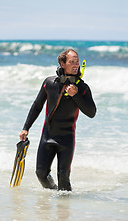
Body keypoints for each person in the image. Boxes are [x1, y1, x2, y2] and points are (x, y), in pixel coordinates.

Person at [19, 49, 96, 191]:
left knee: (64, 179)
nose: (75, 65)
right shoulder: (49, 83)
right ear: (62, 63)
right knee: (41, 174)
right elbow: (37, 106)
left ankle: (64, 210)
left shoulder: (82, 88)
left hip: (67, 138)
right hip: (47, 135)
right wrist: (26, 128)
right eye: (71, 62)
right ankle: (51, 197)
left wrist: (76, 95)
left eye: (77, 62)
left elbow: (91, 112)